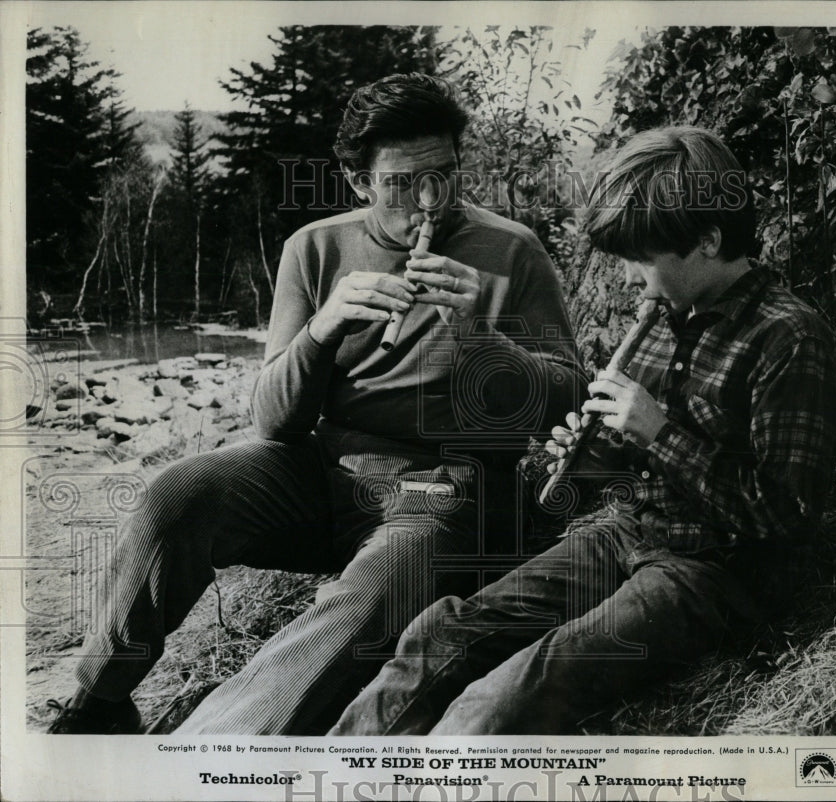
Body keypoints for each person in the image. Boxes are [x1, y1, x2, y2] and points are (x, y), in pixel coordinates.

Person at [46, 73, 584, 735]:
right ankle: (98, 700)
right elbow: (273, 420)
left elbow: (568, 399)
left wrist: (481, 334)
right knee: (178, 492)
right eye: (401, 182)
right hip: (320, 470)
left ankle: (216, 745)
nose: (429, 201)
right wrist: (322, 329)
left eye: (444, 175)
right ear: (359, 183)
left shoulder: (512, 252)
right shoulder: (316, 248)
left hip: (447, 485)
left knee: (374, 593)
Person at [330, 125, 836, 735]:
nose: (630, 278)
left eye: (641, 260)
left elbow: (786, 516)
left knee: (510, 693)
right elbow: (628, 469)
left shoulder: (790, 338)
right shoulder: (664, 315)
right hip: (625, 531)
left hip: (715, 571)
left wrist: (659, 433)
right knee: (440, 632)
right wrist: (589, 458)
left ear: (708, 240)